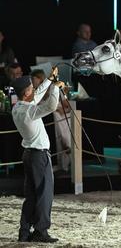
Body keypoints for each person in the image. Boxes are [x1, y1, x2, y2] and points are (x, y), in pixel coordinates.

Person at [11, 69, 64, 243]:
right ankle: (41, 231)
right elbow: (50, 106)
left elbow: (37, 95)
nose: (34, 90)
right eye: (31, 88)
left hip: (28, 155)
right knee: (44, 195)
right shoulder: (29, 111)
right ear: (26, 93)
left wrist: (49, 80)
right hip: (39, 156)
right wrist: (55, 87)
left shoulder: (18, 107)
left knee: (31, 196)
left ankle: (24, 232)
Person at [31, 69, 72, 173]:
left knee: (57, 118)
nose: (35, 84)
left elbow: (67, 107)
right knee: (55, 118)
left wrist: (57, 109)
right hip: (48, 118)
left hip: (61, 116)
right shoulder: (36, 92)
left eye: (37, 82)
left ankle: (64, 154)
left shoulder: (55, 87)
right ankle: (63, 147)